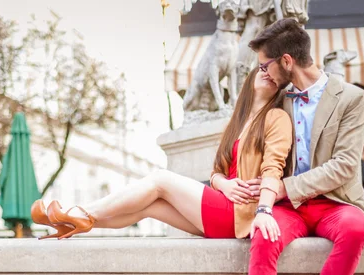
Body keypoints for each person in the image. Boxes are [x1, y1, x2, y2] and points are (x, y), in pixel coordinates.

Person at [231, 18, 364, 275]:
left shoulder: (352, 98)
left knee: (358, 229)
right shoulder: (276, 97)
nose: (262, 72)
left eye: (265, 64)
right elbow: (242, 147)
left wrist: (282, 189)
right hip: (289, 209)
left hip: (334, 202)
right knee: (263, 237)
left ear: (287, 60)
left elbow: (344, 166)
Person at [31, 67, 292, 250]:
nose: (267, 73)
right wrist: (224, 184)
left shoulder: (276, 118)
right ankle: (71, 223)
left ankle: (80, 213)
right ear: (249, 80)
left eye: (274, 75)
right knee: (149, 207)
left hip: (239, 213)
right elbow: (216, 173)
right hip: (224, 203)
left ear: (281, 87)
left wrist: (262, 206)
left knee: (159, 180)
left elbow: (274, 166)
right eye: (261, 69)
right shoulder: (236, 123)